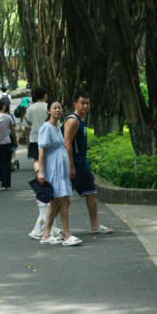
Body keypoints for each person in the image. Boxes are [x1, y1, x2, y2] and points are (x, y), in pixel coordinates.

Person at [63, 92, 112, 234]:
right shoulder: (73, 120)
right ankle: (48, 228)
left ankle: (95, 225)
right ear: (75, 104)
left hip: (82, 164)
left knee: (91, 193)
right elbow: (67, 143)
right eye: (82, 103)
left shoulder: (81, 120)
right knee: (62, 198)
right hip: (73, 165)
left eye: (87, 103)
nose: (85, 106)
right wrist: (70, 166)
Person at [36, 100, 82, 246]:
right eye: (54, 108)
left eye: (59, 108)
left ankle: (46, 234)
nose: (57, 110)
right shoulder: (46, 127)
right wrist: (41, 171)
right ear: (49, 111)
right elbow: (42, 150)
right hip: (53, 169)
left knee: (55, 202)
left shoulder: (58, 127)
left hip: (60, 170)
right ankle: (67, 234)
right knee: (64, 200)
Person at [23, 87, 48, 170]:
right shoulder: (49, 107)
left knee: (36, 160)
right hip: (48, 138)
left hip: (34, 138)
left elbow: (28, 125)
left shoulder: (30, 108)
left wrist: (27, 137)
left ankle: (38, 175)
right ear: (45, 96)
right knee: (47, 160)